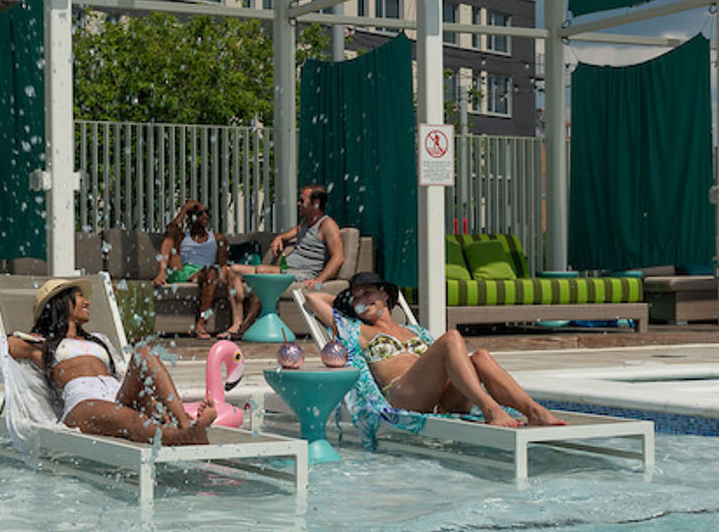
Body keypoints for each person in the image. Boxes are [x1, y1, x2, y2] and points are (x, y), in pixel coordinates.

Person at [305, 270, 565, 434]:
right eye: (356, 297)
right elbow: (312, 299)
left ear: (385, 296)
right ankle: (491, 409)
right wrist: (344, 301)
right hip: (402, 396)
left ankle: (534, 411)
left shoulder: (416, 331)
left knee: (481, 356)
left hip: (441, 398)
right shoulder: (357, 330)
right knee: (451, 338)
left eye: (368, 293)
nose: (361, 299)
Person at [0, 279, 215, 446]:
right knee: (130, 420)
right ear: (62, 304)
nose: (87, 302)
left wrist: (153, 404)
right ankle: (187, 434)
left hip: (114, 393)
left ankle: (184, 421)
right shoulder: (38, 343)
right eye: (79, 297)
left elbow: (124, 374)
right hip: (82, 403)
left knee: (143, 353)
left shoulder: (100, 340)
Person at [222, 183, 346, 337]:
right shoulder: (306, 223)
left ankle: (247, 325)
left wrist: (320, 280)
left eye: (302, 200)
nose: (298, 203)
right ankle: (237, 323)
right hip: (288, 270)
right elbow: (290, 233)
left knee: (261, 273)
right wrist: (279, 238)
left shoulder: (327, 225)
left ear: (316, 203)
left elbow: (338, 257)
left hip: (303, 274)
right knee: (233, 271)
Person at [152, 199, 226, 339]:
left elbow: (222, 264)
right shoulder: (182, 236)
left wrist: (221, 276)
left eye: (206, 213)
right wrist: (185, 209)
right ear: (191, 218)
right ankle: (161, 273)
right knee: (169, 239)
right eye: (199, 213)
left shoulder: (217, 238)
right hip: (182, 270)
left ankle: (200, 323)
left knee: (211, 272)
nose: (204, 216)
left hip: (205, 272)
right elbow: (171, 229)